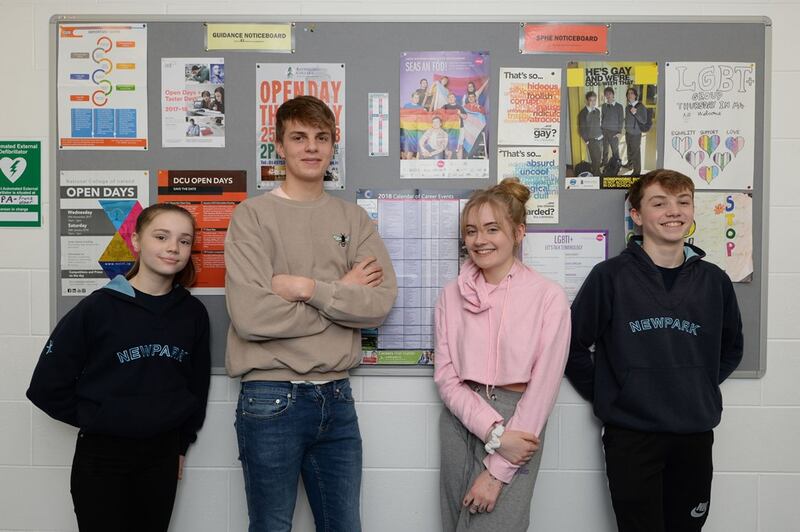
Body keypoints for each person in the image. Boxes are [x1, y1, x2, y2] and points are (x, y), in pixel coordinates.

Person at [225, 95, 397, 532]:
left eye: (322, 138)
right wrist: (341, 298)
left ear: (333, 145)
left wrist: (306, 289)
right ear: (278, 146)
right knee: (271, 526)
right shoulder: (252, 216)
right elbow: (251, 317)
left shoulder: (353, 218)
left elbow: (379, 304)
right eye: (298, 137)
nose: (311, 147)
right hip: (269, 397)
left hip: (337, 399)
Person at [565, 169, 743, 532]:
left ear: (693, 211)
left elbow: (732, 347)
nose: (673, 212)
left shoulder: (715, 281)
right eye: (659, 203)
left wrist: (698, 384)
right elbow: (572, 345)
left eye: (683, 202)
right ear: (636, 214)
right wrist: (612, 391)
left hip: (694, 434)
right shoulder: (609, 276)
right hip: (632, 436)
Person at [27, 203, 211, 532]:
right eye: (161, 236)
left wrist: (181, 445)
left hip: (162, 457)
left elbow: (196, 387)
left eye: (184, 241)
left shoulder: (192, 314)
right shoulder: (98, 307)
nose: (173, 247)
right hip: (102, 457)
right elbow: (45, 387)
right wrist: (100, 416)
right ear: (137, 241)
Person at [435, 178, 571, 532]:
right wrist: (491, 431)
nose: (480, 240)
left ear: (519, 232)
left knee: (495, 524)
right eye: (471, 231)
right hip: (459, 419)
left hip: (519, 422)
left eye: (492, 229)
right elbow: (447, 378)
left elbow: (542, 388)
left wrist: (497, 469)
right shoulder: (450, 296)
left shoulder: (548, 296)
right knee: (455, 524)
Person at [577, 91, 603, 176]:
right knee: (595, 158)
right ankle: (596, 174)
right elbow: (581, 129)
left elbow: (598, 123)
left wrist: (601, 134)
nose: (593, 102)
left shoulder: (597, 111)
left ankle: (597, 171)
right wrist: (586, 140)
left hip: (599, 137)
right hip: (591, 139)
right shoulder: (583, 113)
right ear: (587, 101)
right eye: (591, 100)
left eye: (594, 100)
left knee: (598, 157)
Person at [625, 87, 648, 176]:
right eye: (628, 93)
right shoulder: (628, 106)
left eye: (632, 93)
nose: (630, 95)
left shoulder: (640, 106)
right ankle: (630, 164)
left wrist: (636, 113)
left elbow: (644, 120)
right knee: (629, 149)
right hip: (628, 132)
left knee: (636, 152)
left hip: (636, 133)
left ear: (635, 95)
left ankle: (637, 171)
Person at [601, 87, 624, 169]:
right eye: (606, 94)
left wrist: (619, 132)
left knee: (615, 149)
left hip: (614, 132)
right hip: (604, 131)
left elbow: (621, 120)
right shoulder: (604, 106)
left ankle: (617, 163)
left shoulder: (619, 106)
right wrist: (602, 129)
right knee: (605, 148)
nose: (608, 96)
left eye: (609, 93)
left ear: (613, 94)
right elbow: (603, 117)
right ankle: (604, 162)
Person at [442, 92, 466, 159]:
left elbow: (465, 117)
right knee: (448, 145)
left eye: (452, 97)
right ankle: (447, 163)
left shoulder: (459, 107)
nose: (451, 98)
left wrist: (459, 114)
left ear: (455, 98)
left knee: (460, 145)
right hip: (448, 129)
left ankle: (459, 163)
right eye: (449, 97)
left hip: (459, 128)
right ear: (447, 99)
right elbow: (439, 115)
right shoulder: (445, 106)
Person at [401, 90, 424, 159]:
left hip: (415, 130)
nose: (416, 99)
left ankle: (408, 162)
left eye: (418, 98)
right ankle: (404, 160)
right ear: (411, 98)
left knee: (411, 148)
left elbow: (422, 120)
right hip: (406, 130)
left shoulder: (421, 108)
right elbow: (402, 117)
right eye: (415, 97)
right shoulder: (406, 106)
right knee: (404, 147)